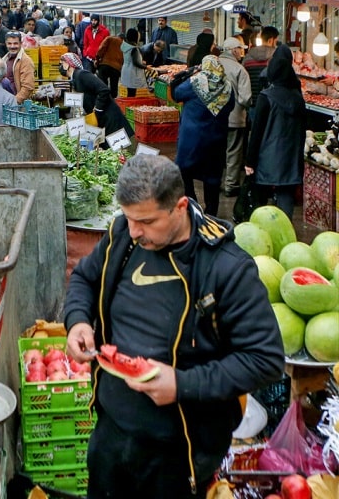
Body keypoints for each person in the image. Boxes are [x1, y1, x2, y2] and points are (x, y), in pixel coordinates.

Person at [64, 153, 284, 499]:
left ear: (180, 206)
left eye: (147, 222)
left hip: (179, 452)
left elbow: (265, 359)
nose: (135, 231)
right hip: (110, 434)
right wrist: (77, 321)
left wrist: (182, 384)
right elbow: (85, 279)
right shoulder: (122, 234)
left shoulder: (227, 268)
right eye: (129, 218)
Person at [245, 44, 306, 220]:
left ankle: (263, 232)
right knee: (286, 194)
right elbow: (302, 131)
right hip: (290, 156)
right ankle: (285, 233)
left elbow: (256, 132)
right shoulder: (298, 99)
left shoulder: (266, 97)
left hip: (267, 156)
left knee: (261, 202)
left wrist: (250, 160)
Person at [173, 55, 234, 216]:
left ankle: (193, 208)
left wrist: (188, 74)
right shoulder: (227, 88)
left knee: (184, 172)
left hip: (192, 141)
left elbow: (176, 93)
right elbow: (232, 106)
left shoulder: (196, 82)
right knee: (212, 179)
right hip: (216, 141)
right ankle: (211, 214)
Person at [59, 52, 133, 143]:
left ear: (68, 64)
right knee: (107, 146)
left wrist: (97, 109)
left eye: (62, 63)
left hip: (108, 115)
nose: (60, 67)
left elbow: (104, 90)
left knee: (117, 144)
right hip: (100, 117)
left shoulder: (82, 74)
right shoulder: (75, 78)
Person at [218, 37, 252, 198]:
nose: (242, 53)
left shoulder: (213, 65)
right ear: (234, 50)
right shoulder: (240, 70)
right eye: (241, 49)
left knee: (216, 150)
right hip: (235, 118)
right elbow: (245, 98)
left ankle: (215, 181)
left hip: (213, 118)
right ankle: (230, 185)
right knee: (233, 152)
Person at [3, 31, 35, 104]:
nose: (12, 46)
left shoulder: (25, 61)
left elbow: (28, 87)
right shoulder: (5, 59)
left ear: (21, 43)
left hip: (18, 106)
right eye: (9, 43)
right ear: (6, 44)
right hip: (6, 103)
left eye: (15, 43)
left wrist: (15, 102)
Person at [120, 29, 148, 98]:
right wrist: (146, 67)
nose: (139, 37)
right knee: (132, 93)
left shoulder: (125, 45)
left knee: (129, 91)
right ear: (134, 37)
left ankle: (128, 106)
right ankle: (129, 106)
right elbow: (136, 63)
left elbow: (130, 58)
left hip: (125, 70)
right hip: (132, 72)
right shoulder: (134, 48)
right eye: (138, 36)